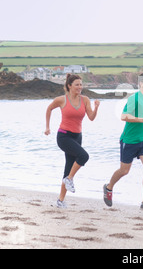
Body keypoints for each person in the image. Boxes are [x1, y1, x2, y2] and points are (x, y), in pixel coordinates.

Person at [103, 72, 143, 212]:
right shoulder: (134, 99)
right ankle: (108, 187)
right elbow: (124, 116)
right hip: (129, 140)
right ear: (140, 84)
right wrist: (142, 120)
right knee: (124, 171)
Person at [45, 74, 100, 208]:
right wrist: (47, 127)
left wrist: (96, 107)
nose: (80, 87)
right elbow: (49, 108)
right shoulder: (61, 100)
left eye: (81, 84)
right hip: (64, 136)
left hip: (77, 137)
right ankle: (69, 179)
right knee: (83, 156)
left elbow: (91, 118)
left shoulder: (85, 100)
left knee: (69, 168)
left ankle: (61, 200)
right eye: (77, 84)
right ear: (69, 86)